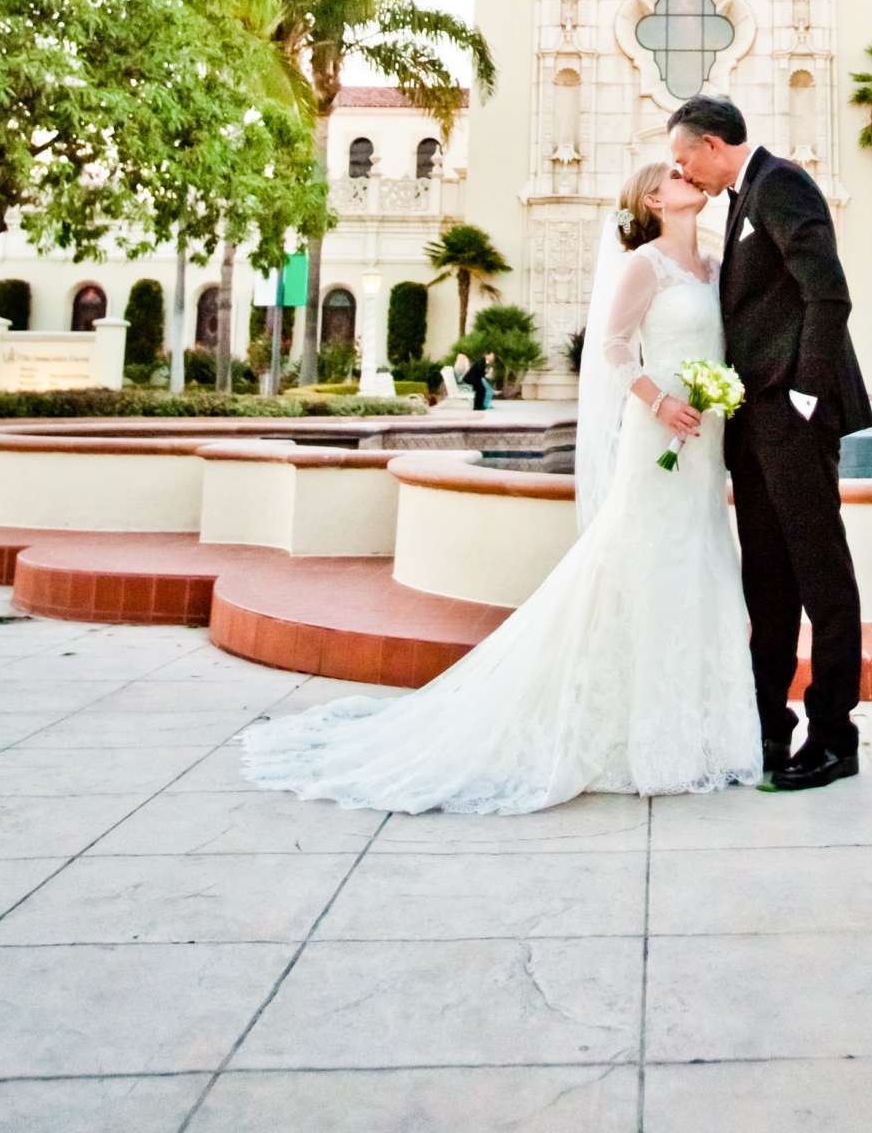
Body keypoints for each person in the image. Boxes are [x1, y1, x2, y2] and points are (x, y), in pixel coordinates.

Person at [240, 161, 760, 814]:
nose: (692, 180)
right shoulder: (643, 266)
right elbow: (616, 349)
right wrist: (659, 403)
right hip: (657, 435)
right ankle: (632, 734)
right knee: (645, 562)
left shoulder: (713, 267)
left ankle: (700, 734)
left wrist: (722, 396)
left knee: (700, 561)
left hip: (705, 441)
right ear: (654, 199)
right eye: (678, 176)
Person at [669, 94, 872, 791]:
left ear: (713, 143)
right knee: (768, 581)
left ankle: (834, 736)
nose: (681, 171)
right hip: (752, 425)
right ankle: (766, 727)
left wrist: (805, 394)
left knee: (821, 576)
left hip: (792, 416)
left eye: (683, 157)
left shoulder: (780, 182)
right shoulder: (737, 201)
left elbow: (829, 292)